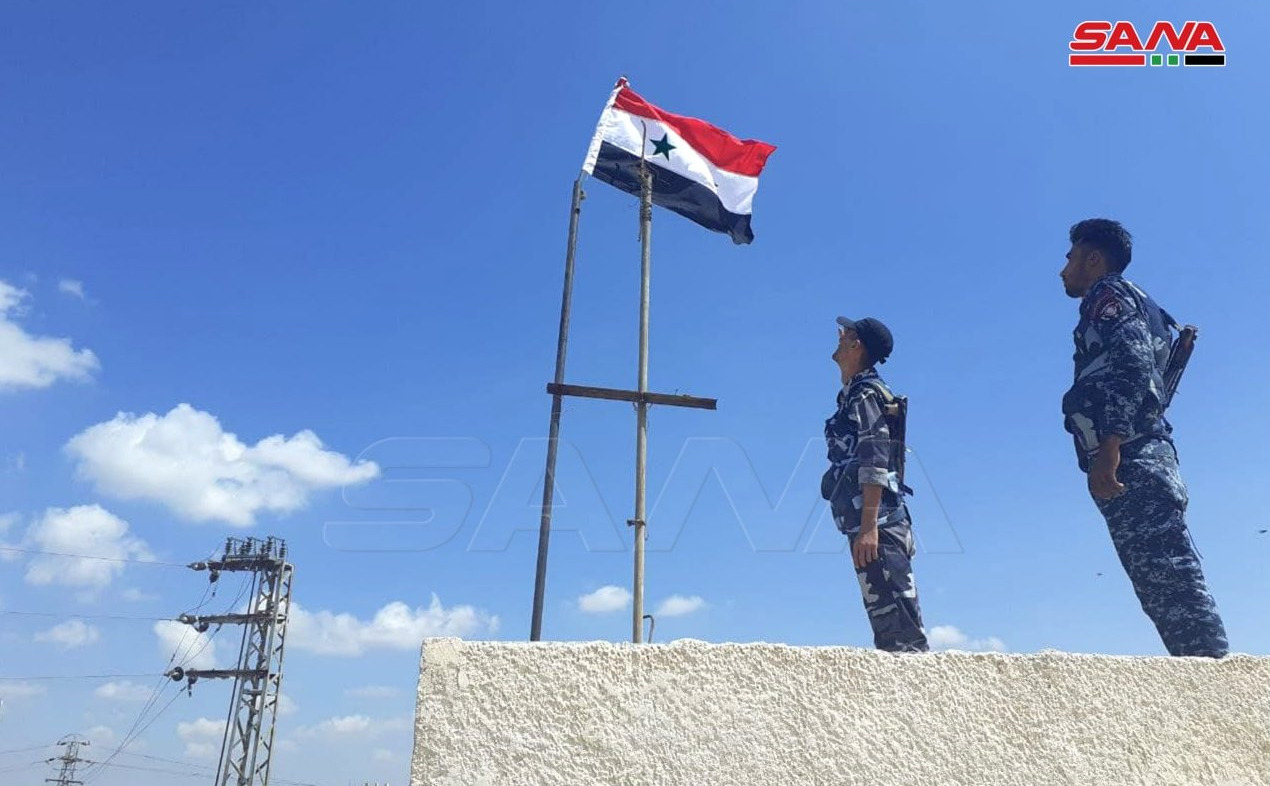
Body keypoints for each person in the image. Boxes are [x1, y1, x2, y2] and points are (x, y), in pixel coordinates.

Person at [1059, 218, 1228, 657]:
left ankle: (1220, 687)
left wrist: (1109, 447)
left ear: (1094, 258)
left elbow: (1130, 365)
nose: (1063, 270)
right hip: (1142, 457)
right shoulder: (1139, 302)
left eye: (1070, 257)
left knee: (1175, 589)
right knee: (1165, 588)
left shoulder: (1108, 295)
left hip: (1132, 458)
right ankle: (1208, 680)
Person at [822, 316, 928, 652]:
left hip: (879, 527)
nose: (840, 336)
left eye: (848, 333)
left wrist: (869, 528)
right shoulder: (854, 393)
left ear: (857, 346)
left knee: (904, 635)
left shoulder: (865, 393)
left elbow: (874, 458)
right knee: (888, 632)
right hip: (872, 527)